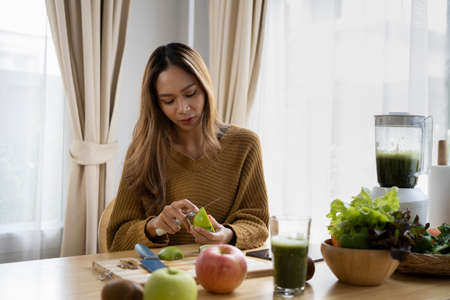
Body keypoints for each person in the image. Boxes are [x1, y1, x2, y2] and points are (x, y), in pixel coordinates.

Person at [106, 43, 269, 251]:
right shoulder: (142, 152)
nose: (183, 108)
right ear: (156, 104)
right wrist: (154, 226)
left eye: (191, 93)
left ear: (205, 88)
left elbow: (258, 224)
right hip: (156, 275)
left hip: (224, 270)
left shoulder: (245, 145)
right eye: (168, 100)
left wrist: (226, 235)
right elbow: (117, 238)